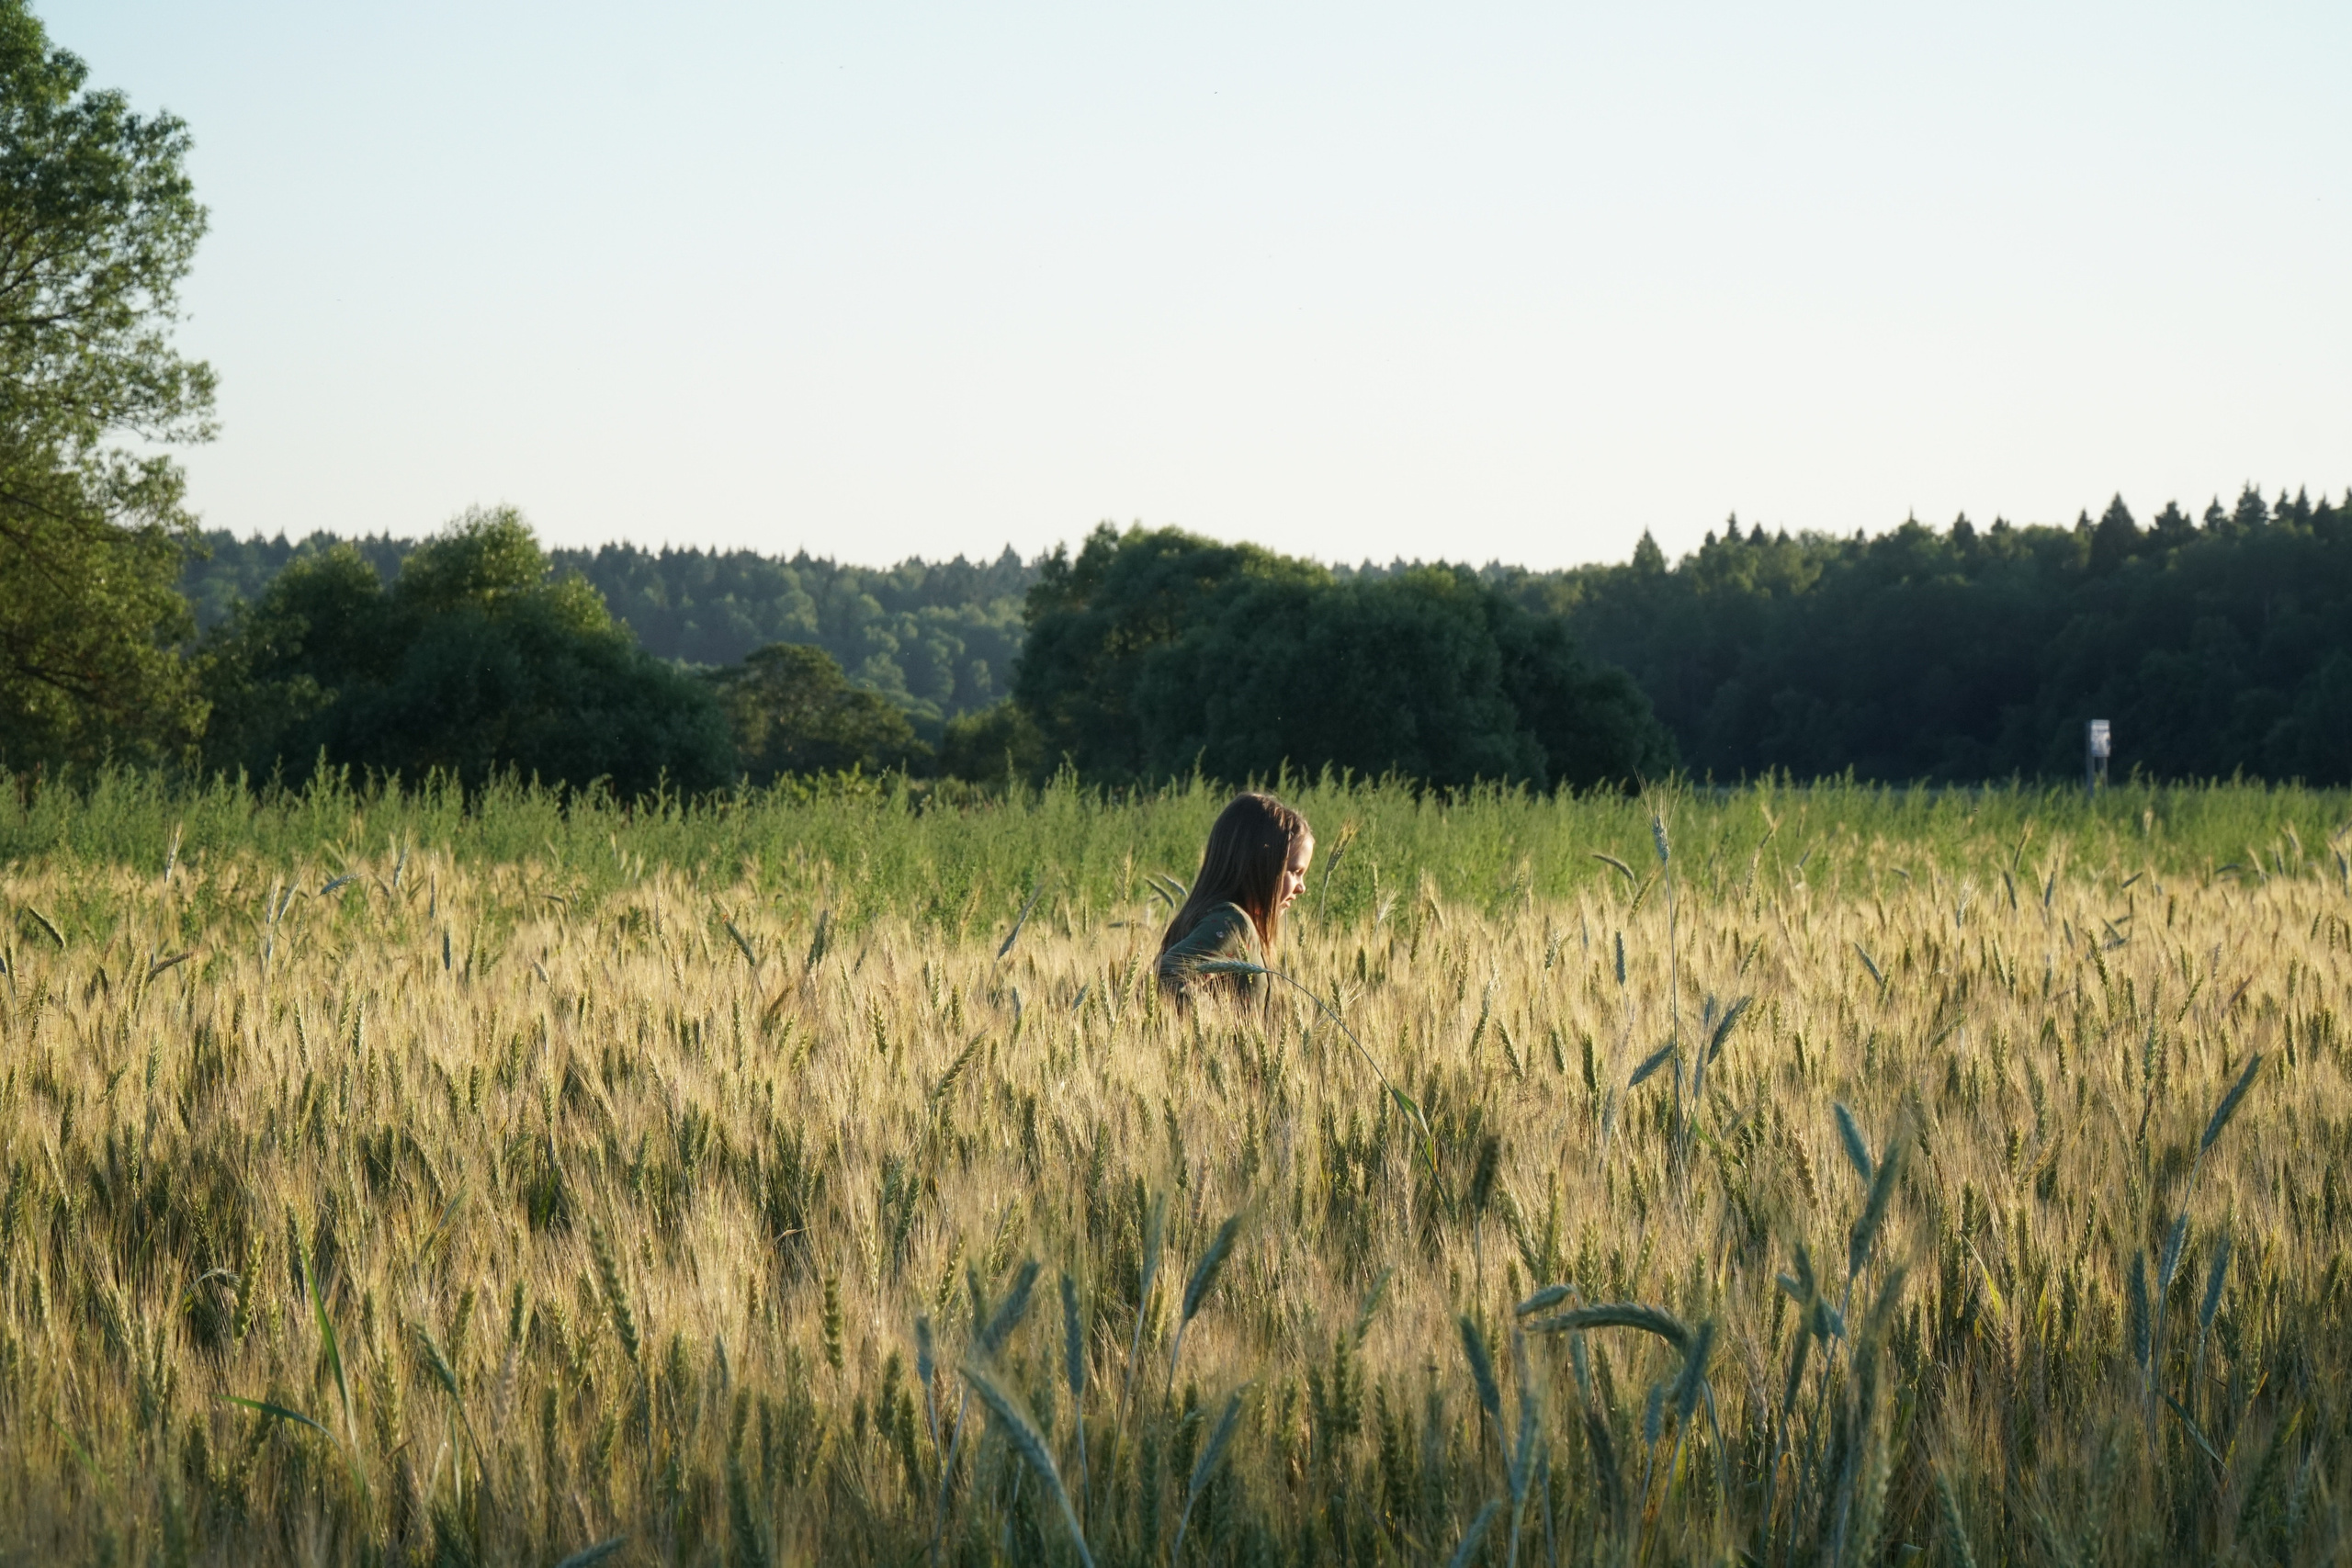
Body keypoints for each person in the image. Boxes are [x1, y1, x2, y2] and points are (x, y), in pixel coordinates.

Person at [1157, 792, 1314, 1004]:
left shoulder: (1214, 914)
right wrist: (1218, 1024)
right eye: (1294, 871)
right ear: (1259, 863)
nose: (1301, 888)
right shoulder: (1231, 923)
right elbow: (1165, 977)